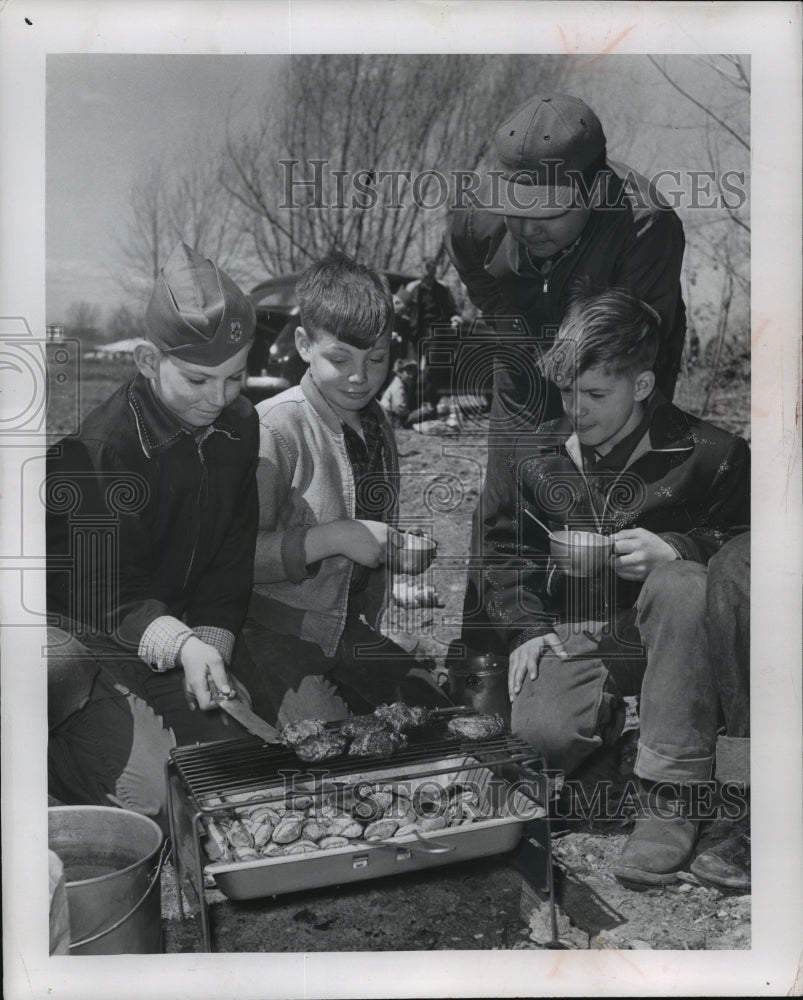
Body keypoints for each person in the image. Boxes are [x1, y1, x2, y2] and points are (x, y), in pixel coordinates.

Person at [481, 286, 749, 889]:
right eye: (566, 391)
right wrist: (526, 627)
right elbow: (504, 551)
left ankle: (670, 795)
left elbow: (753, 548)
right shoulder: (537, 456)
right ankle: (620, 755)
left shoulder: (714, 455)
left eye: (596, 394)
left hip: (682, 642)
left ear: (644, 386)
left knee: (680, 585)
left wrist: (678, 548)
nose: (577, 408)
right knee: (541, 735)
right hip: (582, 633)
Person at [446, 93, 687, 655]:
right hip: (527, 353)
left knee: (604, 493)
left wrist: (582, 423)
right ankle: (490, 655)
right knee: (505, 497)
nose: (527, 230)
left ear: (593, 191)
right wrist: (510, 329)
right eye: (516, 211)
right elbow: (474, 272)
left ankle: (609, 658)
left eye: (548, 214)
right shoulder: (473, 215)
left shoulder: (645, 226)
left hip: (618, 358)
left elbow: (638, 347)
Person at [46, 242, 259, 832]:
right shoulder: (100, 448)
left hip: (171, 631)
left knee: (229, 766)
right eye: (197, 379)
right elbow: (99, 592)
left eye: (236, 377)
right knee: (161, 801)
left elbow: (232, 551)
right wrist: (185, 646)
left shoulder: (241, 426)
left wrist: (210, 640)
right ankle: (45, 760)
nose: (218, 400)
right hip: (88, 640)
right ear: (146, 360)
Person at [230, 253, 451, 724]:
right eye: (340, 359)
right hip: (275, 631)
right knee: (330, 740)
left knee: (437, 713)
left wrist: (393, 549)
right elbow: (235, 557)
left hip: (346, 626)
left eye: (376, 359)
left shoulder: (376, 424)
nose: (360, 377)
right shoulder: (276, 429)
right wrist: (332, 538)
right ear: (305, 344)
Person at [379, 357, 419, 428]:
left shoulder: (403, 384)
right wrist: (416, 413)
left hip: (392, 416)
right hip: (389, 418)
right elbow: (400, 410)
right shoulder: (398, 387)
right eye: (408, 372)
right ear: (400, 373)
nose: (412, 375)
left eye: (413, 371)